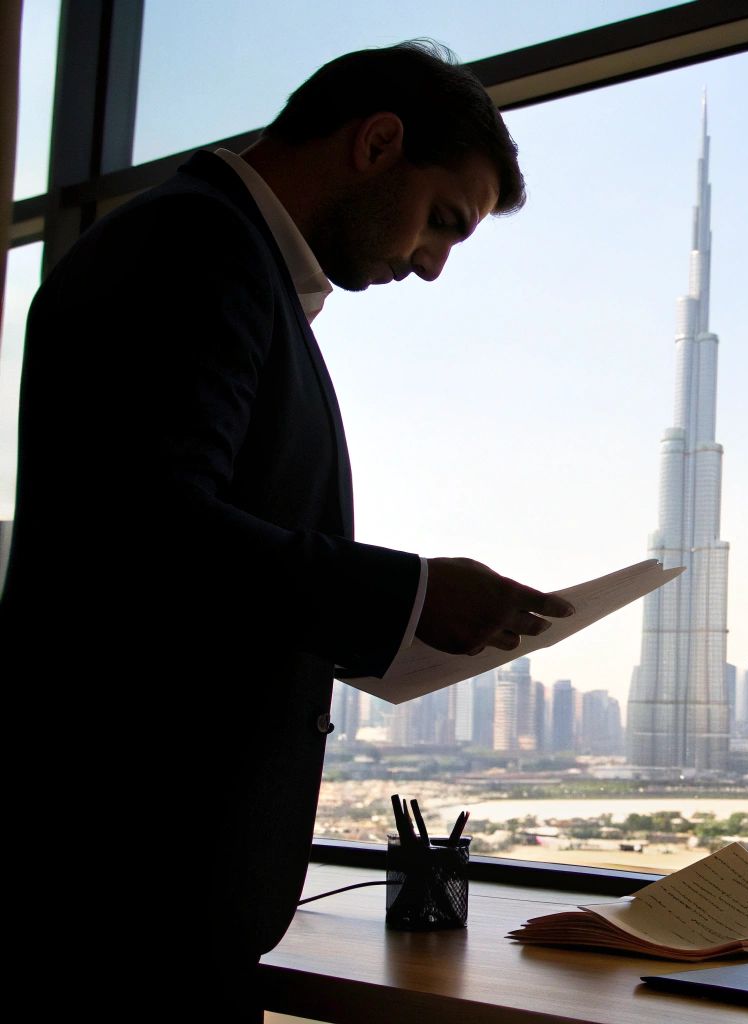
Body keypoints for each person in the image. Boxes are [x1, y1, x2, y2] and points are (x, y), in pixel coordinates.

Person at [0, 41, 570, 1017]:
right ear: (377, 143)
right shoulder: (195, 248)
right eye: (441, 221)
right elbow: (150, 530)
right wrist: (411, 596)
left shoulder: (224, 261)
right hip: (121, 892)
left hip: (138, 891)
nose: (433, 266)